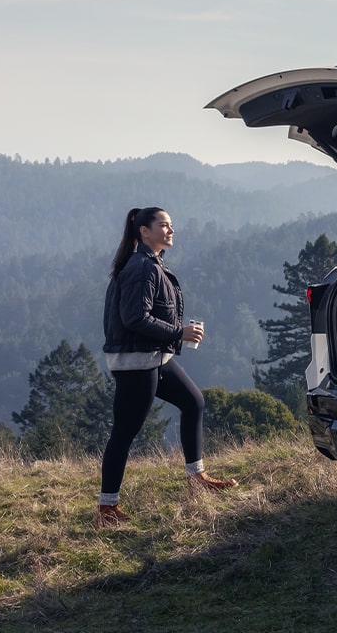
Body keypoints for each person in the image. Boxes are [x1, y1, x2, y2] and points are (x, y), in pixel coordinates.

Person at [96, 207, 237, 527]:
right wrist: (179, 332)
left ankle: (197, 478)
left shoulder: (150, 264)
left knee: (193, 402)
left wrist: (176, 333)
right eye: (164, 225)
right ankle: (106, 510)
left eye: (172, 225)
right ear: (144, 231)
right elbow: (135, 318)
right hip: (136, 362)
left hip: (153, 356)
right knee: (124, 432)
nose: (171, 230)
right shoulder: (142, 268)